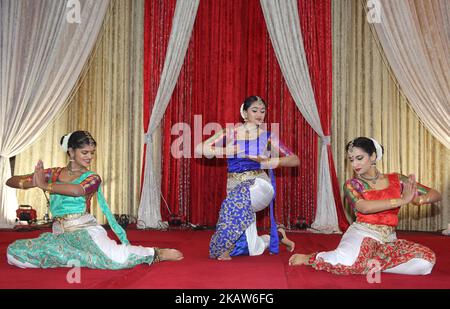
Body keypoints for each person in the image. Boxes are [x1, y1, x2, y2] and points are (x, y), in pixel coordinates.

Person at [6, 131, 183, 269]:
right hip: (60, 235)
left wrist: (45, 186)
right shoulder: (54, 174)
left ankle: (156, 253)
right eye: (85, 152)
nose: (89, 157)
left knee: (116, 260)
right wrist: (29, 182)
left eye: (92, 153)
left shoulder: (92, 177)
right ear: (71, 152)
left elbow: (77, 190)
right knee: (14, 254)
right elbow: (10, 181)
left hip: (85, 232)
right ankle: (76, 257)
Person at [289, 137, 441, 275]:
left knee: (425, 263)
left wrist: (418, 200)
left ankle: (368, 263)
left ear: (373, 156)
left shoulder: (397, 179)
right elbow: (364, 208)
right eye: (351, 160)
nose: (355, 164)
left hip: (388, 241)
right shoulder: (353, 184)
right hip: (362, 235)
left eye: (359, 158)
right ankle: (312, 257)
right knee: (345, 264)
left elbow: (435, 194)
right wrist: (402, 200)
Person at [196, 96, 299, 260]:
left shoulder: (268, 136)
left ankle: (222, 247)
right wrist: (226, 152)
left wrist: (267, 161)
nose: (260, 114)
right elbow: (200, 148)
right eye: (255, 110)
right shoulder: (229, 133)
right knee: (249, 248)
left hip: (260, 185)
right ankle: (278, 236)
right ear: (244, 113)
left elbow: (294, 160)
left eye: (263, 111)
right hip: (235, 188)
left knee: (236, 199)